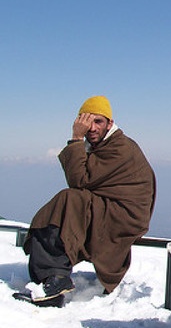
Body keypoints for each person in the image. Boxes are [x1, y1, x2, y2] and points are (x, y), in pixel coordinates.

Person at [15, 95, 156, 308]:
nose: (91, 128)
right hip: (109, 206)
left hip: (123, 215)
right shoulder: (105, 145)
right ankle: (52, 278)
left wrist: (75, 138)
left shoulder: (119, 147)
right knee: (68, 205)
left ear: (110, 123)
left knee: (69, 200)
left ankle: (55, 277)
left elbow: (78, 181)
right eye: (86, 121)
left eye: (98, 121)